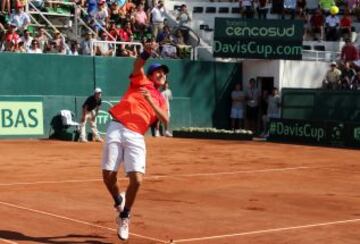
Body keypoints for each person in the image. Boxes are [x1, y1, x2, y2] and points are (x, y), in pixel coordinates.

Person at [101, 41, 169, 241]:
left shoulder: (161, 99)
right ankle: (118, 200)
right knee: (108, 176)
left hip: (136, 135)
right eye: (158, 72)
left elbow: (165, 120)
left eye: (164, 73)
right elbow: (137, 65)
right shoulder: (140, 79)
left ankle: (125, 215)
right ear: (151, 74)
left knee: (137, 180)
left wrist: (150, 101)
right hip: (117, 125)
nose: (162, 74)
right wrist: (146, 52)